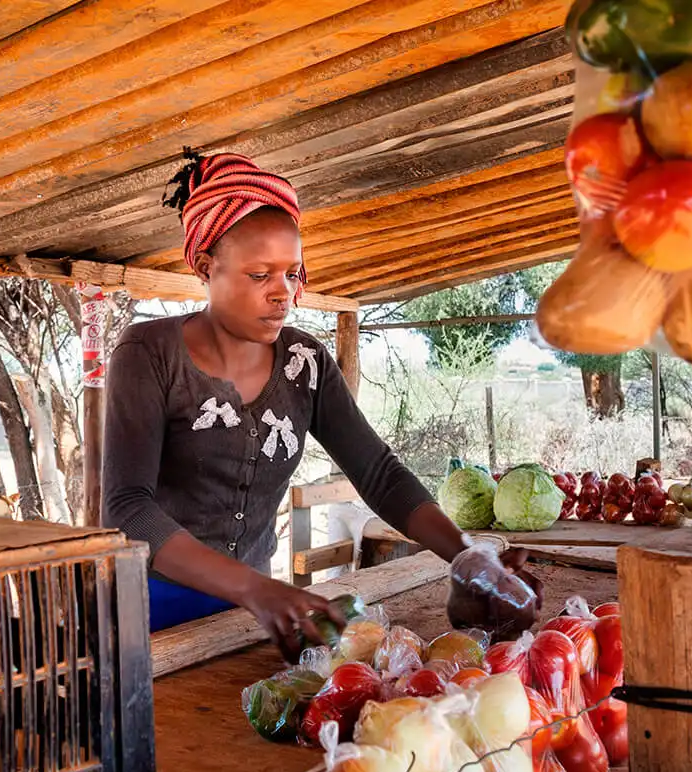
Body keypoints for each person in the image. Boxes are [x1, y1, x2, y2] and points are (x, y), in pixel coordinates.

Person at [102, 151, 541, 659]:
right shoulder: (149, 353)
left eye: (292, 273)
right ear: (205, 266)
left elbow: (379, 474)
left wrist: (468, 558)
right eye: (259, 275)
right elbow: (129, 507)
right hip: (149, 609)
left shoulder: (304, 362)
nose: (282, 293)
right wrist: (255, 587)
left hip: (248, 617)